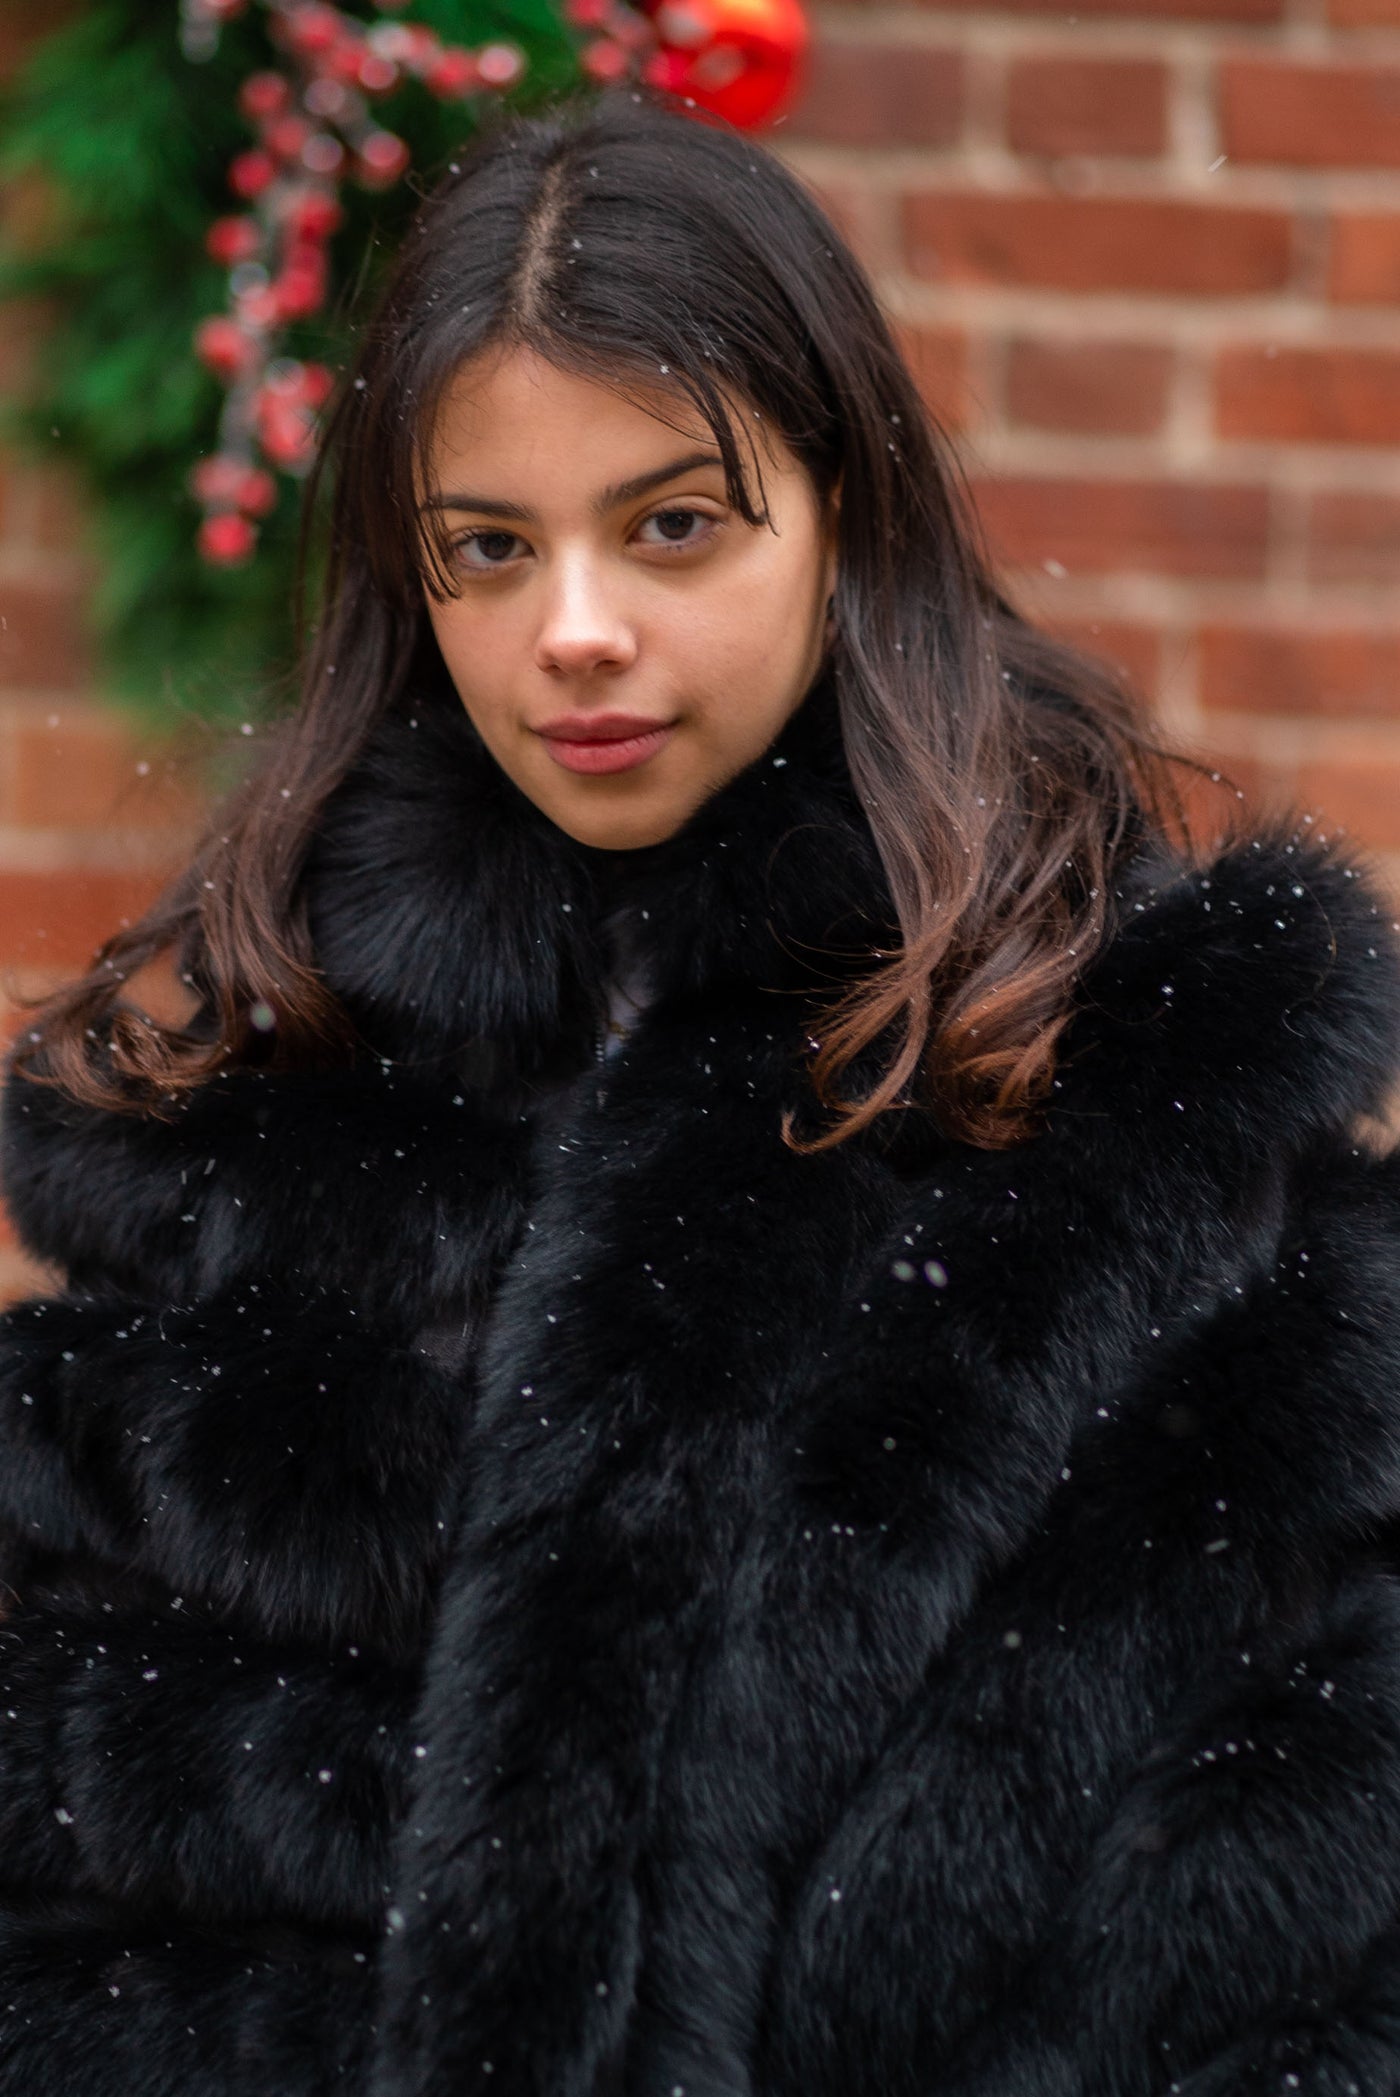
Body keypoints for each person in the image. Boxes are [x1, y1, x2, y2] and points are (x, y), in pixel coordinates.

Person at [0, 82, 1398, 2097]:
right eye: (489, 549)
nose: (574, 631)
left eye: (672, 523)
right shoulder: (263, 1101)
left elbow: (1308, 1864)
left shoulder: (1132, 1106)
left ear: (843, 516)